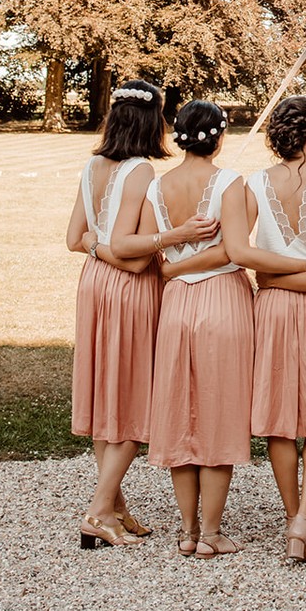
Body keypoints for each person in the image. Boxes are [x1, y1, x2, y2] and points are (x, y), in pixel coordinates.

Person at [112, 99, 254, 557]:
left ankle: (188, 531)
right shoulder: (231, 183)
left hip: (176, 306)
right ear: (220, 137)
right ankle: (211, 532)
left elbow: (146, 248)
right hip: (223, 300)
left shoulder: (159, 184)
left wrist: (174, 269)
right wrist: (187, 265)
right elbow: (234, 251)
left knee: (183, 411)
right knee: (218, 410)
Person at [221, 95, 306, 564]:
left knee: (279, 417)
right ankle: (304, 523)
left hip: (273, 306)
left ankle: (292, 515)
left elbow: (238, 251)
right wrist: (305, 266)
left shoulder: (251, 184)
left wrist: (272, 275)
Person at [67, 80, 172, 549]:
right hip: (130, 290)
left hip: (92, 285)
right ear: (152, 120)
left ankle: (115, 505)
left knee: (105, 394)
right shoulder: (141, 172)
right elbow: (132, 257)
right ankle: (96, 513)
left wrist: (95, 245)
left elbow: (76, 237)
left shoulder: (93, 165)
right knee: (132, 399)